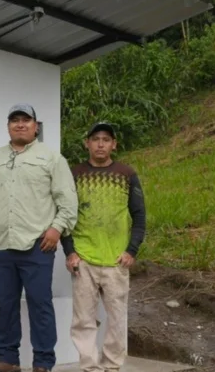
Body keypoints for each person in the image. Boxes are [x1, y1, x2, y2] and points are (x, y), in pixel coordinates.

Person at [0, 104, 79, 372]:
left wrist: (56, 229)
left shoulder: (52, 158)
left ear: (36, 126)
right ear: (8, 126)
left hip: (36, 246)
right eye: (15, 120)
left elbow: (67, 201)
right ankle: (8, 359)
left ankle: (43, 362)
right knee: (6, 305)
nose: (20, 124)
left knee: (40, 304)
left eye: (26, 120)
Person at [61, 121, 146, 372]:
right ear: (87, 143)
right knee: (83, 321)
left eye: (106, 139)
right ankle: (89, 367)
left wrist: (131, 250)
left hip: (116, 261)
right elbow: (66, 215)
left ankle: (112, 366)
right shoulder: (74, 174)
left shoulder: (127, 174)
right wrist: (70, 252)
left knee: (117, 319)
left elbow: (139, 216)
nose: (100, 144)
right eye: (95, 139)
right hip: (84, 260)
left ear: (113, 145)